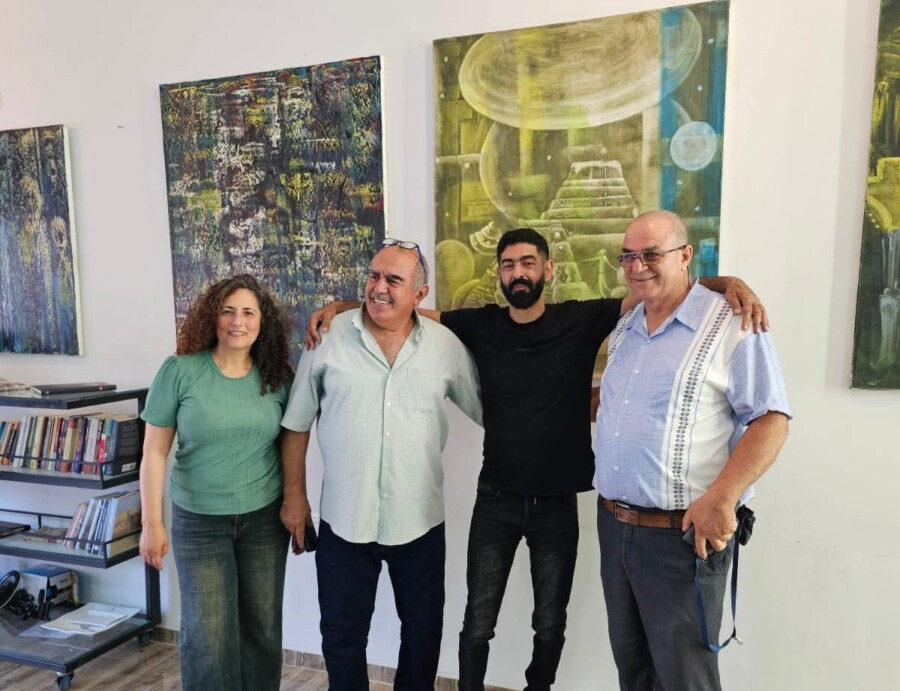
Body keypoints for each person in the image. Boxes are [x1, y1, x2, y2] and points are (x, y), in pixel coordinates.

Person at [308, 227, 765, 691]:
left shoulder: (581, 319)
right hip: (495, 499)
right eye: (508, 265)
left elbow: (655, 288)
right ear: (499, 274)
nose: (518, 273)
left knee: (549, 624)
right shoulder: (479, 324)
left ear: (548, 269)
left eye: (528, 263)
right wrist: (344, 307)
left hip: (557, 503)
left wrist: (723, 283)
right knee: (477, 621)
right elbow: (408, 308)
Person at [593, 210, 791, 691]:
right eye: (628, 256)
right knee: (633, 671)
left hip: (682, 539)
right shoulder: (626, 324)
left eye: (651, 254)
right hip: (615, 529)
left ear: (685, 255)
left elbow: (771, 419)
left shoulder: (733, 321)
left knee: (685, 679)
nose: (637, 266)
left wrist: (723, 498)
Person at [280, 240, 482, 690]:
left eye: (394, 279)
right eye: (373, 276)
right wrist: (295, 497)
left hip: (419, 520)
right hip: (344, 520)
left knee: (423, 634)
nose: (379, 287)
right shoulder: (327, 337)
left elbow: (490, 411)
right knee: (341, 636)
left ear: (420, 293)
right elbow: (296, 423)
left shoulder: (445, 347)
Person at [139, 274, 294, 691]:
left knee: (262, 629)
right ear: (213, 317)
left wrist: (296, 504)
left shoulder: (277, 377)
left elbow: (292, 445)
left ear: (263, 321)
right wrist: (152, 523)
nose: (237, 322)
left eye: (248, 312)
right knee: (209, 636)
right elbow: (154, 452)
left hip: (264, 520)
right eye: (228, 311)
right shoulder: (180, 371)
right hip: (199, 522)